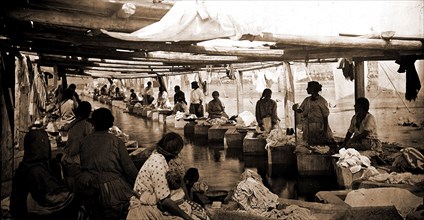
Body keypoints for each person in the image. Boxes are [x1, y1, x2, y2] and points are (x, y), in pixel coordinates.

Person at [127, 132, 209, 220]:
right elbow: (165, 201)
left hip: (151, 201)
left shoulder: (157, 156)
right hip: (146, 209)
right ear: (176, 152)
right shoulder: (158, 163)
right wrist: (188, 218)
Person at [10, 121, 78, 220]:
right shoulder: (37, 171)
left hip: (20, 212)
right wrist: (71, 183)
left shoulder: (25, 166)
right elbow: (54, 197)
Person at [78, 108, 138, 220]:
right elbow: (129, 169)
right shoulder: (116, 141)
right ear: (110, 123)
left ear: (93, 123)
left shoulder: (85, 141)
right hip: (112, 189)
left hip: (88, 185)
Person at [293, 81, 334, 145]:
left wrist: (325, 130)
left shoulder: (321, 101)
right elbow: (301, 110)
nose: (306, 89)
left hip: (319, 126)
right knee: (310, 144)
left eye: (308, 88)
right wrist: (295, 109)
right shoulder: (307, 100)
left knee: (319, 143)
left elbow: (325, 116)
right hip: (309, 126)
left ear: (312, 89)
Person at [62, 101, 93, 177]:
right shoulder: (86, 125)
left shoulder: (74, 122)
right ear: (88, 113)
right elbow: (90, 144)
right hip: (76, 160)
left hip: (66, 157)